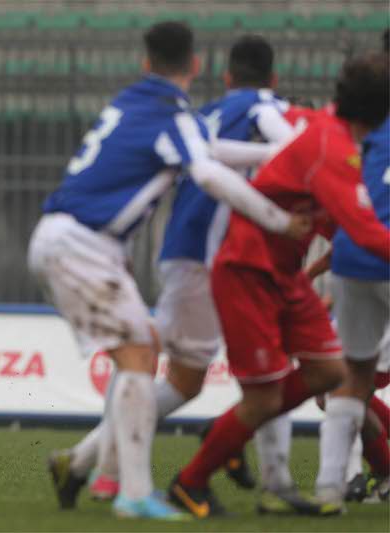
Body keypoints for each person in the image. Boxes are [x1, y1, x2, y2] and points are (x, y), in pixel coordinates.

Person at [28, 21, 309, 520]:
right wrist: (280, 219)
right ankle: (131, 492)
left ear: (145, 63)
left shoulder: (135, 103)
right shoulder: (173, 114)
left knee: (145, 353)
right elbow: (207, 172)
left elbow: (211, 152)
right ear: (197, 66)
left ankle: (86, 464)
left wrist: (270, 156)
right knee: (140, 356)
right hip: (83, 244)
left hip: (75, 240)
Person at [168, 53, 390, 518]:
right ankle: (190, 481)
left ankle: (238, 432)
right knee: (268, 397)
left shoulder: (327, 128)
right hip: (248, 271)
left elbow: (342, 223)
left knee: (332, 373)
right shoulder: (334, 149)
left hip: (284, 273)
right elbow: (365, 232)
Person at [314, 92, 390, 506]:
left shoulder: (354, 131)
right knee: (349, 387)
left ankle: (332, 484)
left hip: (355, 260)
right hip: (372, 254)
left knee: (347, 383)